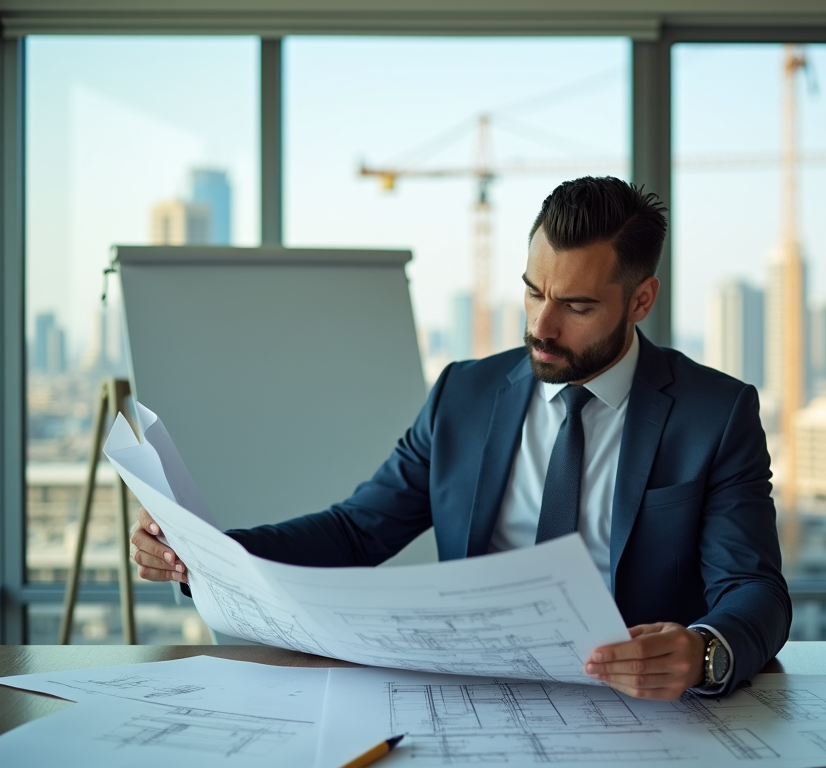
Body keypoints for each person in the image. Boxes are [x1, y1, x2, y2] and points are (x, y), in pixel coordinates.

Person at [132, 176, 791, 701]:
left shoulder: (716, 413)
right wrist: (210, 555)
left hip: (641, 715)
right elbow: (359, 530)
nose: (543, 326)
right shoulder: (463, 396)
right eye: (534, 293)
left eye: (577, 307)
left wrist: (703, 652)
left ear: (641, 300)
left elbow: (756, 590)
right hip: (476, 700)